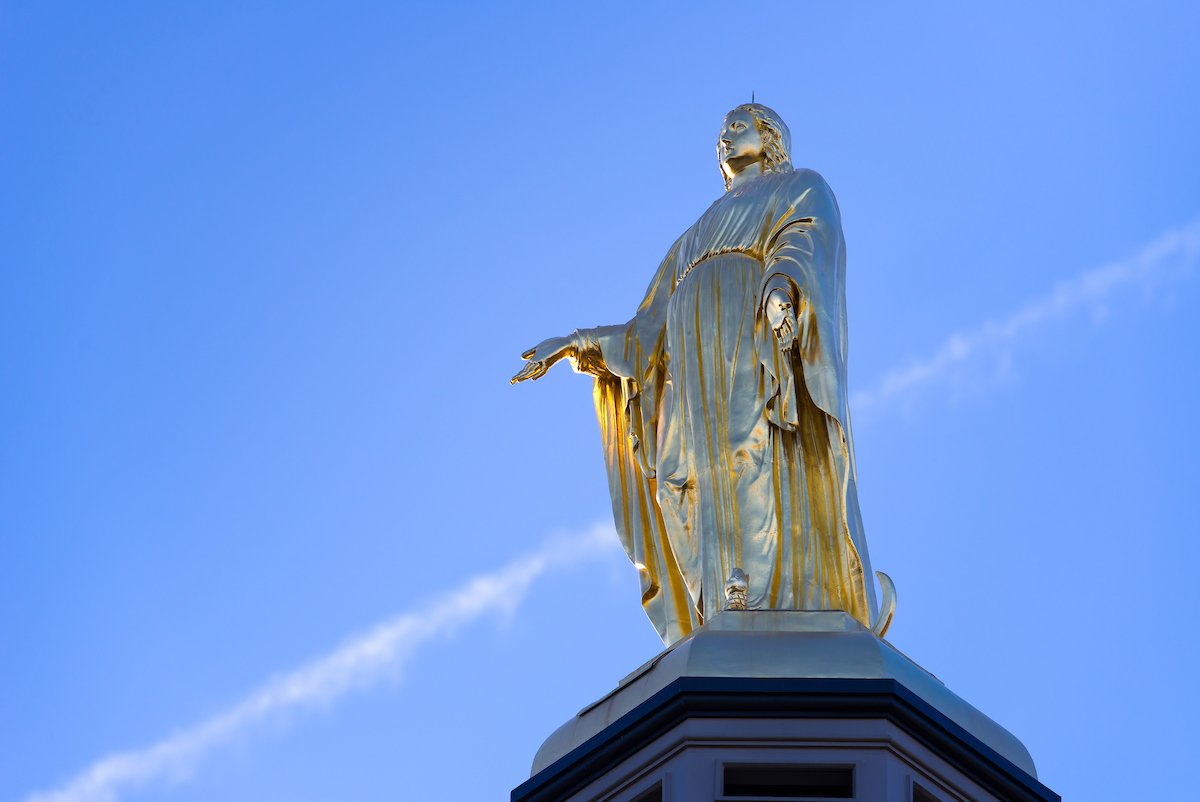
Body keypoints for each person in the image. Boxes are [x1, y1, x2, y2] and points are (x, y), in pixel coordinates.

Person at [512, 104, 880, 645]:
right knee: (683, 481)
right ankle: (715, 609)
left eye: (738, 126)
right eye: (721, 130)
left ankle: (761, 602)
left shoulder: (801, 187)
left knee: (749, 456)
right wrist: (578, 342)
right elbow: (646, 332)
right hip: (689, 366)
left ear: (770, 136)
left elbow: (806, 241)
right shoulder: (692, 238)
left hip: (745, 343)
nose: (723, 138)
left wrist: (782, 289)